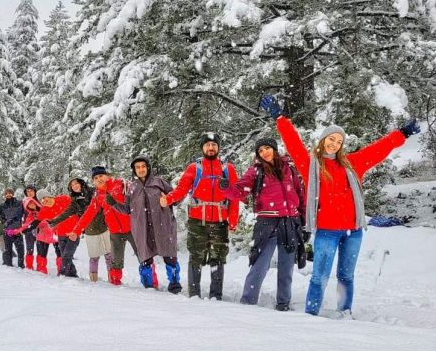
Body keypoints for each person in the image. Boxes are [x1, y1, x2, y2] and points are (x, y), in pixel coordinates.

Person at [260, 94, 421, 316]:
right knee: (320, 277)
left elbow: (379, 149)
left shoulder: (352, 164)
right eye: (331, 138)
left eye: (339, 141)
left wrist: (401, 133)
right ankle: (311, 315)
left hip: (353, 231)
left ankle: (344, 312)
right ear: (324, 140)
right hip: (327, 231)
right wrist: (279, 117)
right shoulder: (311, 165)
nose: (334, 144)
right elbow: (292, 141)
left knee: (346, 276)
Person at [220, 138, 306, 310]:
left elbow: (300, 194)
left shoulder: (289, 168)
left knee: (286, 267)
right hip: (267, 222)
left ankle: (283, 304)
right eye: (260, 150)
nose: (264, 152)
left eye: (267, 148)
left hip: (290, 221)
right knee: (259, 264)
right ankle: (248, 302)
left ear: (274, 149)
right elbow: (240, 190)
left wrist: (303, 222)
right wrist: (226, 188)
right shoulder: (255, 171)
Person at [160, 133, 239, 300]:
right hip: (197, 221)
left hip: (220, 222)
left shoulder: (227, 169)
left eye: (214, 145)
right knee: (195, 257)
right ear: (202, 148)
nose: (211, 148)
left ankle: (216, 295)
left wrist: (233, 220)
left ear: (218, 148)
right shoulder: (194, 168)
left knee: (218, 258)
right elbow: (181, 190)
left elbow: (235, 196)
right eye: (207, 145)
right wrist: (168, 199)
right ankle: (194, 294)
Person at [106, 156, 182, 293]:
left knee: (170, 257)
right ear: (134, 170)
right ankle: (149, 287)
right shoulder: (132, 188)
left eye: (143, 166)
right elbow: (127, 210)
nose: (141, 169)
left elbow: (177, 197)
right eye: (137, 167)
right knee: (145, 259)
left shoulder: (159, 182)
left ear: (148, 167)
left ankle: (175, 284)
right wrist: (114, 204)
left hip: (163, 227)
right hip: (142, 229)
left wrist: (169, 199)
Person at [69, 166, 135, 285]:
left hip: (132, 228)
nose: (99, 179)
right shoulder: (98, 197)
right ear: (93, 181)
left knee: (144, 257)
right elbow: (88, 215)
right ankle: (115, 283)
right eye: (96, 178)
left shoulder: (121, 184)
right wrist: (76, 230)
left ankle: (150, 284)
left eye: (101, 176)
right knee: (116, 262)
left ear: (107, 176)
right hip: (115, 232)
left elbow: (138, 196)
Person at [49, 178, 102, 278]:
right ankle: (71, 274)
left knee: (107, 254)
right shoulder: (74, 198)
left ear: (81, 183)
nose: (74, 186)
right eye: (72, 185)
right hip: (87, 227)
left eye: (76, 183)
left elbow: (97, 206)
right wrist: (54, 221)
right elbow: (68, 211)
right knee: (92, 255)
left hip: (101, 223)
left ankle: (64, 274)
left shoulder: (92, 192)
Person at [7, 197, 59, 274]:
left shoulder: (44, 208)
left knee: (60, 253)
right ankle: (42, 269)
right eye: (28, 205)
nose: (31, 205)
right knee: (42, 254)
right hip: (42, 235)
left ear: (35, 202)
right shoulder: (31, 215)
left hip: (55, 232)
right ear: (27, 207)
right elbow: (26, 225)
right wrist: (15, 231)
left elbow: (55, 216)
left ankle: (62, 270)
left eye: (32, 203)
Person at [0, 188, 25, 268]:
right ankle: (8, 265)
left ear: (12, 194)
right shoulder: (2, 205)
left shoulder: (19, 203)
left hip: (17, 230)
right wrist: (1, 219)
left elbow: (25, 213)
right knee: (8, 250)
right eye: (6, 193)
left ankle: (21, 266)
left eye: (10, 193)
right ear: (4, 195)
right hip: (7, 231)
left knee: (20, 250)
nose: (8, 194)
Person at [23, 185, 39, 263]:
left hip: (40, 228)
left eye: (31, 191)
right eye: (27, 191)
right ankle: (29, 265)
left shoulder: (40, 201)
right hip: (28, 228)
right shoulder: (24, 202)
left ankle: (41, 266)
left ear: (35, 192)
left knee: (41, 249)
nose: (29, 193)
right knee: (29, 248)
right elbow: (19, 214)